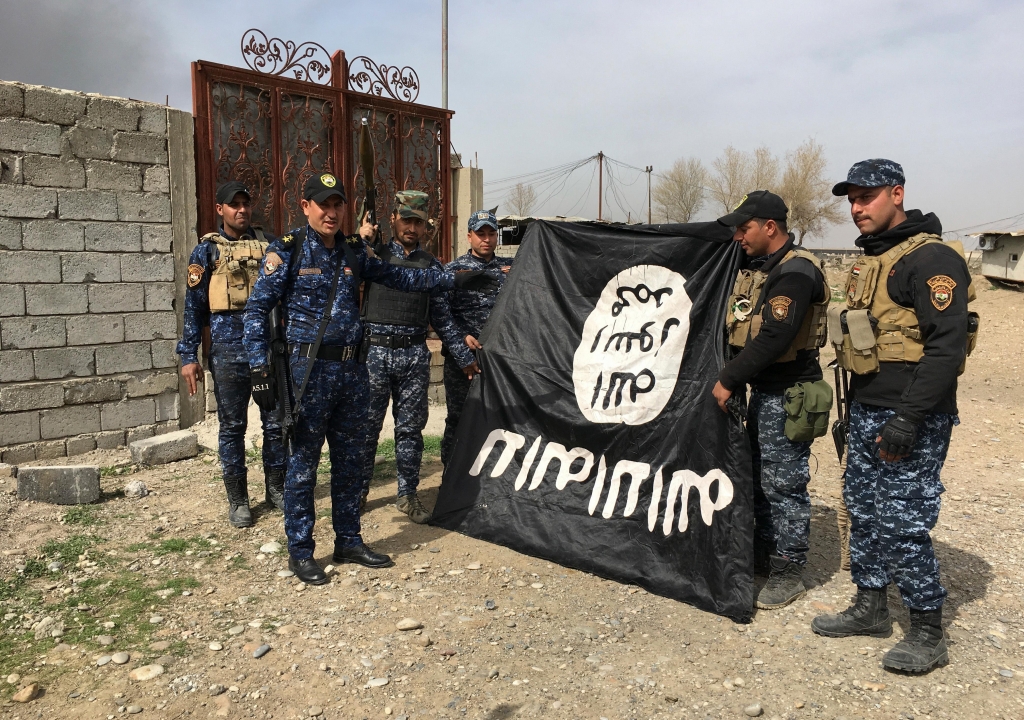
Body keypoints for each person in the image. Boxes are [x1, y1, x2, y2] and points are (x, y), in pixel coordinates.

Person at [242, 173, 498, 585]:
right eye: (323, 205)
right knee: (304, 464)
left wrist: (449, 277)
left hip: (352, 372)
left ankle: (348, 540)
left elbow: (400, 276)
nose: (331, 212)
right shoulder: (286, 251)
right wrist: (259, 368)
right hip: (307, 373)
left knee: (351, 460)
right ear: (306, 206)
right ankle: (301, 551)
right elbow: (256, 311)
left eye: (337, 205)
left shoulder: (353, 252)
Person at [811, 159, 976, 674]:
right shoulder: (875, 260)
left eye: (867, 197)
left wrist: (907, 419)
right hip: (866, 408)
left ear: (897, 194)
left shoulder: (931, 259)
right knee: (861, 509)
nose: (856, 208)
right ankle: (870, 606)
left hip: (913, 416)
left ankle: (928, 630)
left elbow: (946, 350)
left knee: (902, 522)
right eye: (852, 199)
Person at [711, 190, 829, 609]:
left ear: (769, 227)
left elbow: (775, 337)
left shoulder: (795, 273)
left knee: (783, 486)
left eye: (744, 229)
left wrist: (728, 379)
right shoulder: (763, 268)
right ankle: (763, 553)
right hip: (766, 391)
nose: (738, 237)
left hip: (789, 392)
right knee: (759, 478)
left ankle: (789, 569)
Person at [357, 191, 477, 523]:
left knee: (411, 430)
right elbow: (341, 263)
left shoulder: (430, 266)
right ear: (393, 218)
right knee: (367, 428)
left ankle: (407, 495)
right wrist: (359, 238)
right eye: (406, 219)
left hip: (413, 354)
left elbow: (442, 317)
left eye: (418, 222)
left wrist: (463, 356)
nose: (411, 227)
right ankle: (358, 491)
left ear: (425, 227)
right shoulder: (372, 255)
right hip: (375, 354)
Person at [176, 180, 285, 528]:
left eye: (246, 203)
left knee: (276, 424)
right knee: (233, 428)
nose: (241, 210)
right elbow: (193, 308)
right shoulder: (205, 252)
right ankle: (238, 499)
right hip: (227, 352)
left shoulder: (270, 247)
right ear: (220, 209)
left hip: (268, 350)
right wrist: (188, 356)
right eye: (233, 204)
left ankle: (277, 490)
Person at [440, 210, 513, 467]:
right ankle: (451, 478)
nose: (486, 239)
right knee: (459, 420)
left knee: (499, 421)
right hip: (463, 362)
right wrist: (461, 339)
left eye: (491, 234)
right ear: (469, 236)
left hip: (500, 361)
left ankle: (491, 481)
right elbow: (440, 315)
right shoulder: (452, 271)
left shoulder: (510, 269)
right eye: (480, 234)